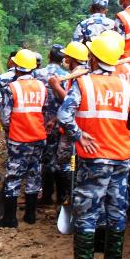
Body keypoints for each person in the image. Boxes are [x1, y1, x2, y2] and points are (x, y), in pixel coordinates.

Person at [56, 32, 130, 259]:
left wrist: (79, 135)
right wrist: (120, 134)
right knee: (116, 211)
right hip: (120, 158)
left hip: (93, 159)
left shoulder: (83, 84)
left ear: (94, 58)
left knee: (87, 212)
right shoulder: (127, 86)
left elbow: (64, 116)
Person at [0, 49, 51, 228]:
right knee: (34, 173)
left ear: (16, 68)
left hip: (19, 138)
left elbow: (4, 117)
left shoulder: (10, 88)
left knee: (14, 176)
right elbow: (44, 111)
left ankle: (10, 218)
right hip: (39, 137)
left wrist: (11, 130)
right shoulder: (42, 87)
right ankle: (30, 215)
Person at [47, 42, 89, 206]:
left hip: (75, 127)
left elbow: (72, 103)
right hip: (71, 124)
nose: (64, 58)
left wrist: (57, 87)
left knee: (66, 164)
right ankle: (67, 197)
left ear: (72, 58)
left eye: (67, 56)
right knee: (66, 163)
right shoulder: (74, 74)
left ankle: (69, 198)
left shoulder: (79, 76)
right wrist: (54, 120)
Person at [34, 45, 68, 206]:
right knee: (58, 159)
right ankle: (61, 196)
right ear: (63, 59)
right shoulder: (67, 76)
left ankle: (46, 195)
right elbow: (68, 101)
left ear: (49, 56)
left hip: (39, 121)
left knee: (44, 159)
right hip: (58, 122)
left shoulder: (38, 73)